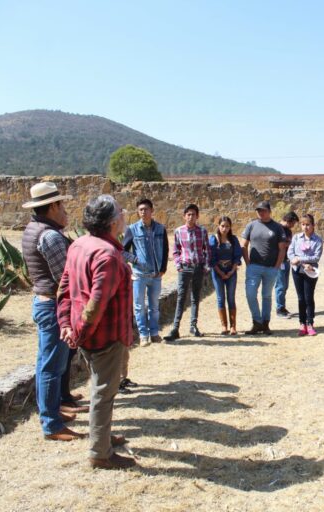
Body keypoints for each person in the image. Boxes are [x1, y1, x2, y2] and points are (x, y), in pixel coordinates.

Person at [57, 195, 134, 469]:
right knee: (104, 393)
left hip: (88, 335)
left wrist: (67, 326)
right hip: (105, 337)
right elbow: (96, 304)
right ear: (112, 222)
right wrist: (76, 331)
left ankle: (102, 436)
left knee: (101, 388)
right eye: (121, 212)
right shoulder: (108, 255)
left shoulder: (79, 245)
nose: (124, 215)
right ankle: (100, 453)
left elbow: (64, 289)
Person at [21, 182, 87, 442]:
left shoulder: (33, 229)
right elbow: (65, 278)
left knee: (45, 363)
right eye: (61, 205)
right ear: (52, 207)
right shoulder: (49, 236)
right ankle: (51, 423)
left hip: (44, 302)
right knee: (52, 366)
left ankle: (52, 410)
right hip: (53, 305)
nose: (65, 210)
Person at [122, 199, 168, 347]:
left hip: (155, 275)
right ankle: (143, 335)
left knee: (154, 306)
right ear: (138, 212)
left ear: (152, 210)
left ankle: (154, 333)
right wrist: (134, 259)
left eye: (146, 209)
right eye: (140, 209)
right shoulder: (132, 229)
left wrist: (163, 268)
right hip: (139, 275)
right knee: (139, 306)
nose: (143, 212)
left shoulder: (160, 229)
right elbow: (122, 250)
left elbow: (166, 249)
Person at [241, 201, 289, 335]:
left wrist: (276, 267)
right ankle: (257, 322)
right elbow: (243, 245)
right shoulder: (251, 225)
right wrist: (248, 263)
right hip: (254, 267)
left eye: (263, 210)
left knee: (266, 296)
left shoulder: (277, 227)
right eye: (258, 210)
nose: (261, 213)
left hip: (270, 269)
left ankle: (265, 323)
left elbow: (282, 249)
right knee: (250, 294)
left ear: (269, 211)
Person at [164, 204, 210, 341]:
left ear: (197, 216)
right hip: (185, 267)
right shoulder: (179, 231)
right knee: (181, 297)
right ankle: (175, 328)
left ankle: (193, 325)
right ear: (184, 216)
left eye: (193, 214)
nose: (191, 217)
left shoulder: (202, 231)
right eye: (188, 214)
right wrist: (178, 265)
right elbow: (176, 250)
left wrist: (205, 266)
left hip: (198, 267)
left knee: (195, 297)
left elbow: (207, 250)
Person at [288, 214, 323, 336]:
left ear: (313, 225)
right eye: (303, 224)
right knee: (301, 298)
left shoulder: (317, 240)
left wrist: (300, 259)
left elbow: (316, 257)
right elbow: (290, 252)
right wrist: (295, 259)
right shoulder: (296, 238)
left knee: (309, 297)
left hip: (310, 271)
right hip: (297, 270)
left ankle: (310, 323)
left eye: (308, 224)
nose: (305, 227)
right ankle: (302, 323)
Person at [208, 216, 242, 335]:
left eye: (227, 226)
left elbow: (237, 256)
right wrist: (220, 272)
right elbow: (211, 258)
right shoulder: (213, 239)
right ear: (218, 226)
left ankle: (233, 326)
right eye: (222, 226)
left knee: (231, 298)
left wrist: (231, 271)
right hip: (217, 272)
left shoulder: (233, 239)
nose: (225, 228)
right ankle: (224, 326)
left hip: (231, 272)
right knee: (220, 298)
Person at [275, 211, 299, 319]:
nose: (293, 226)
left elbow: (289, 245)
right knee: (280, 286)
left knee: (285, 286)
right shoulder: (277, 228)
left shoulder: (288, 231)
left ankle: (282, 307)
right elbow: (276, 244)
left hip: (286, 261)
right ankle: (279, 309)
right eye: (293, 223)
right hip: (279, 261)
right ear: (289, 220)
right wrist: (288, 244)